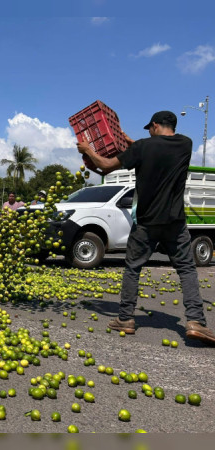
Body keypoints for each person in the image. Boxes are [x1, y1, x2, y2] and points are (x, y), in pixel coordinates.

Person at [77, 110, 215, 345]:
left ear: (154, 126)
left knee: (133, 268)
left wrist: (88, 150)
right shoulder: (185, 144)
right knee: (187, 269)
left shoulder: (142, 148)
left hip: (147, 222)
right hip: (175, 222)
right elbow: (156, 148)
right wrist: (133, 143)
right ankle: (195, 322)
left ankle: (125, 319)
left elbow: (107, 166)